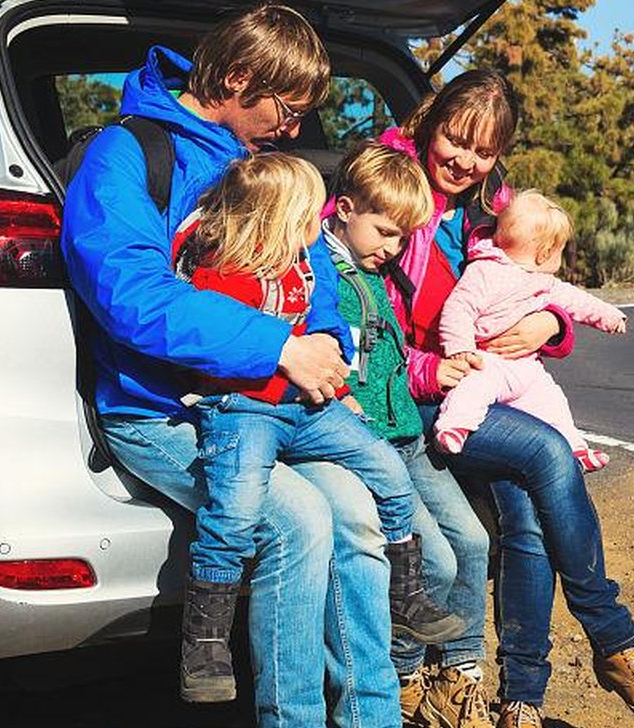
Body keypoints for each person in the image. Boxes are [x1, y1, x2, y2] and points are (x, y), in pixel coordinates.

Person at [61, 3, 401, 728]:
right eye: (288, 109)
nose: (295, 130)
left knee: (356, 509)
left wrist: (327, 353)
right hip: (161, 412)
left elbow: (315, 282)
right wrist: (278, 348)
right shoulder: (127, 154)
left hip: (272, 404)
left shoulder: (261, 167)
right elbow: (130, 294)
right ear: (240, 78)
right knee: (300, 522)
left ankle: (374, 717)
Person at [375, 69, 634, 728]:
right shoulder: (389, 196)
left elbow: (536, 287)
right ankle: (615, 639)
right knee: (548, 454)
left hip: (486, 386)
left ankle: (521, 701)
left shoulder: (496, 211)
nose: (464, 161)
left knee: (526, 513)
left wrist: (551, 324)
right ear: (431, 123)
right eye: (456, 140)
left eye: (483, 151)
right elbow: (363, 323)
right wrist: (433, 367)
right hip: (416, 396)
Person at [170, 153, 463, 703]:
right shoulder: (217, 272)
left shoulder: (303, 265)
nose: (318, 221)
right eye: (309, 213)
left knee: (389, 471)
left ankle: (405, 594)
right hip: (242, 411)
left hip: (307, 406)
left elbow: (325, 333)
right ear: (273, 218)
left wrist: (337, 384)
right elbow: (212, 341)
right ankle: (205, 643)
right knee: (233, 513)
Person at [323, 141, 493, 728]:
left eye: (402, 239)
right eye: (385, 234)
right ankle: (404, 675)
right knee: (434, 564)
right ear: (345, 209)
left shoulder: (375, 275)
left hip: (408, 437)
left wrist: (434, 371)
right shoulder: (328, 278)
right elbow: (336, 367)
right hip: (375, 446)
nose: (393, 249)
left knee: (473, 544)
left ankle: (458, 674)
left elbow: (392, 361)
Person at [433, 189, 627, 472]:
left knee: (552, 402)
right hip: (488, 360)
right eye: (559, 251)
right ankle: (453, 426)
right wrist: (460, 348)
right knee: (472, 388)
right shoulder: (486, 271)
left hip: (527, 368)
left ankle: (575, 448)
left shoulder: (543, 281)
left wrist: (609, 316)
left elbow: (578, 301)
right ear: (545, 253)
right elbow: (459, 308)